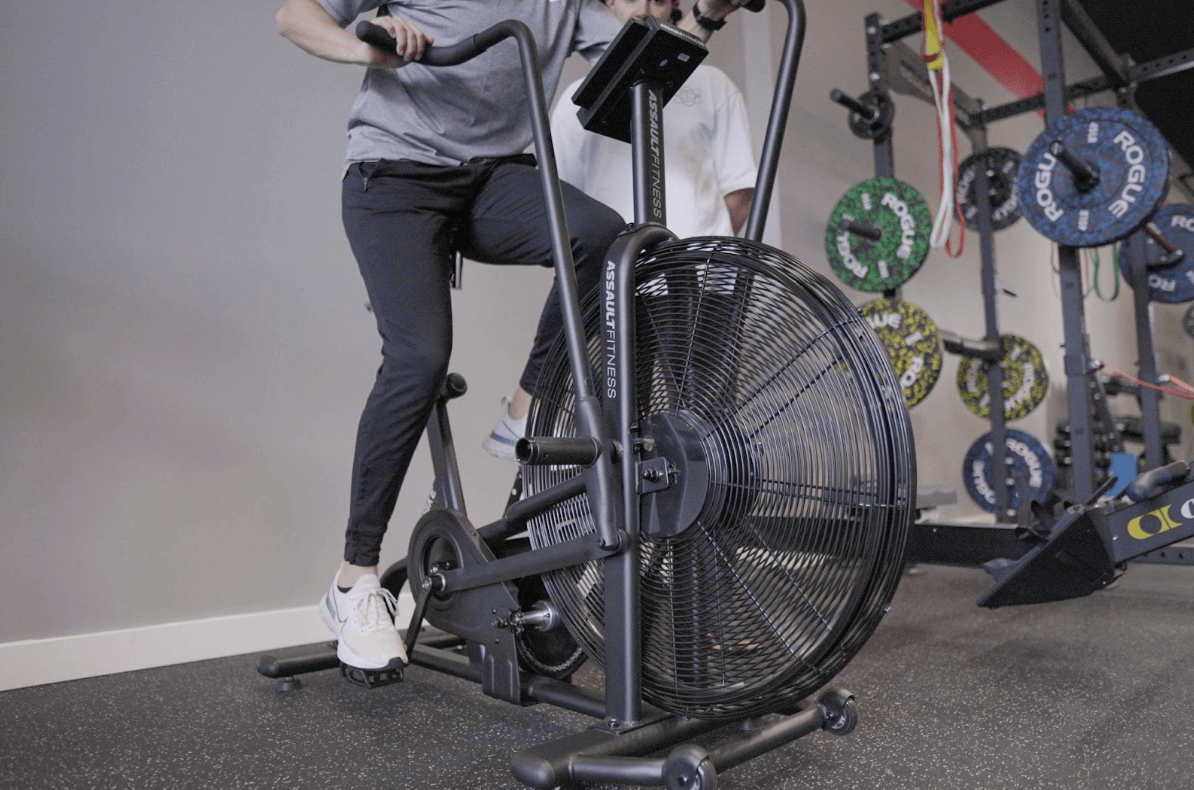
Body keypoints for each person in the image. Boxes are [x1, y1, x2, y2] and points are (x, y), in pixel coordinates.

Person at [274, 0, 748, 677]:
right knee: (419, 356)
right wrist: (366, 50)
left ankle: (527, 397)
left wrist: (698, 13)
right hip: (394, 176)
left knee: (605, 239)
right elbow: (296, 15)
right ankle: (354, 582)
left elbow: (641, 62)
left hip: (493, 177)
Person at [483, 0, 758, 461]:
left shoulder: (712, 86)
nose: (649, 6)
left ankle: (703, 528)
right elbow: (564, 207)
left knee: (708, 427)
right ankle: (616, 522)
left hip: (701, 279)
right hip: (617, 286)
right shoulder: (575, 103)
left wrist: (697, 244)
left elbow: (739, 194)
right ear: (606, 4)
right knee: (619, 425)